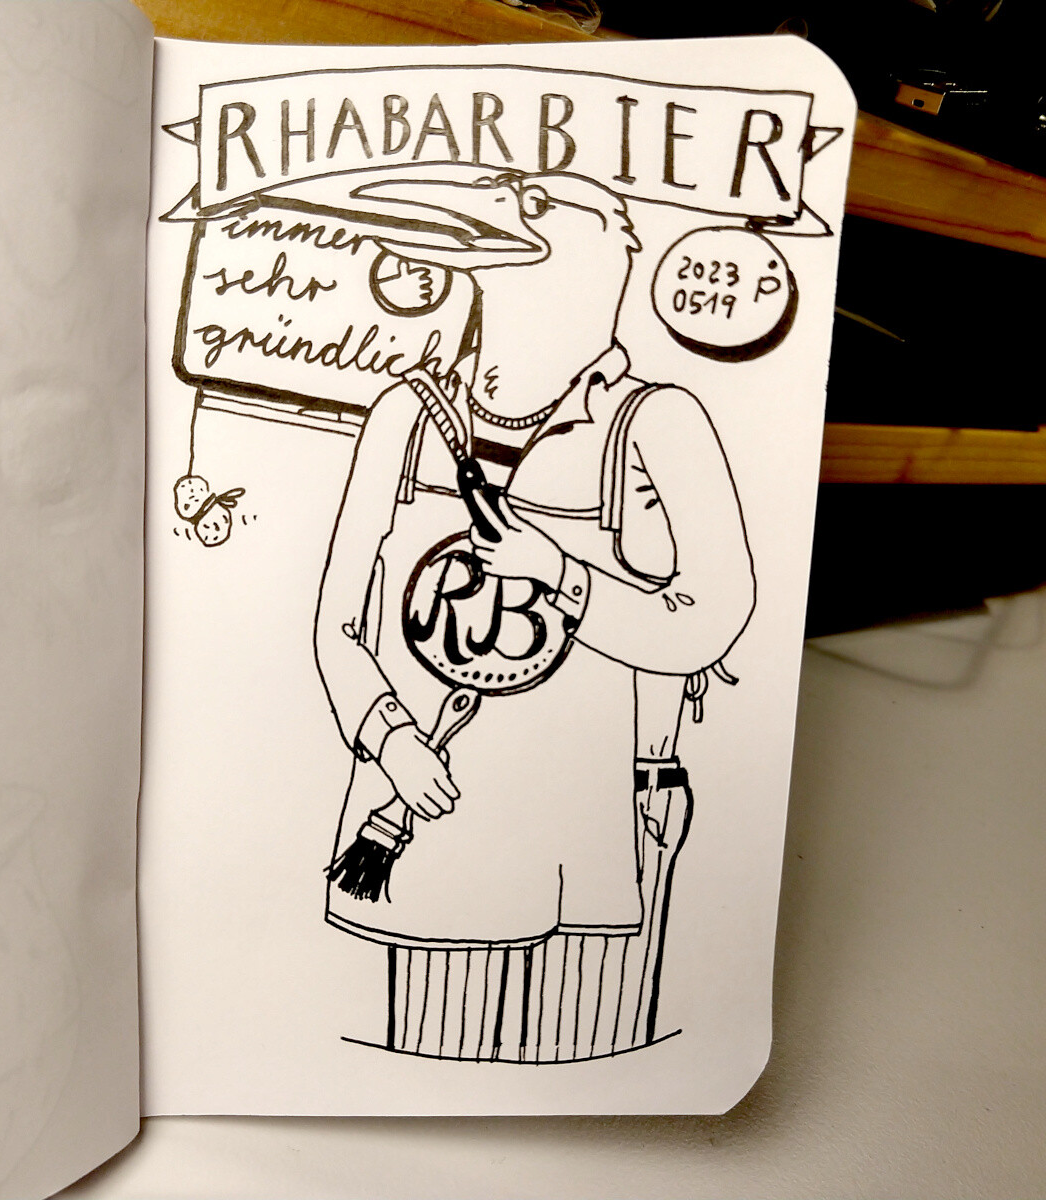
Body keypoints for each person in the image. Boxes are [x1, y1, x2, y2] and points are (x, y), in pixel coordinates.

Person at [315, 171, 755, 1061]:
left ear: (603, 247)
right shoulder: (406, 415)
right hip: (428, 802)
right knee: (434, 1056)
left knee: (585, 1055)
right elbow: (338, 622)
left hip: (590, 806)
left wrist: (562, 576)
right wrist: (389, 740)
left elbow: (712, 615)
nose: (504, 215)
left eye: (537, 207)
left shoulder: (657, 422)